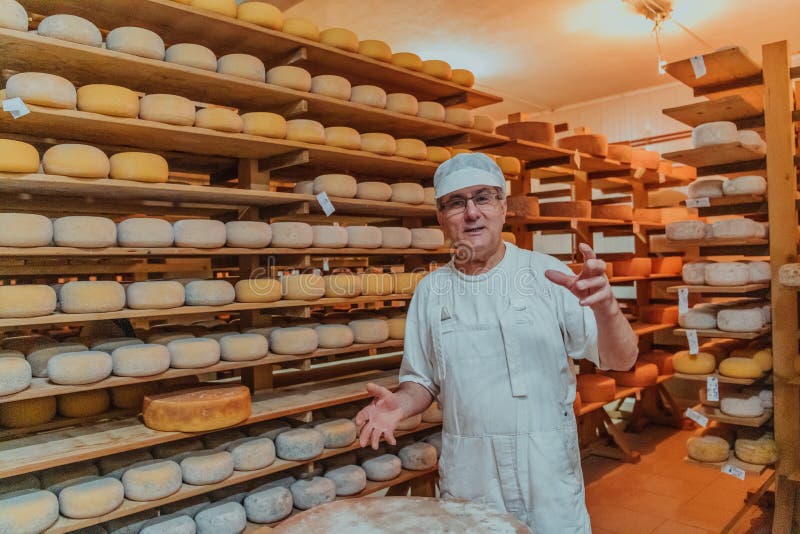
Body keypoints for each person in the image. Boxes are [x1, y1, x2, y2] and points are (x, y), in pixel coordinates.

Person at [355, 153, 639, 532]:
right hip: (473, 476)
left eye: (483, 197)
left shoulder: (545, 273)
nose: (471, 212)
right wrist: (400, 405)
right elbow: (422, 381)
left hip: (547, 474)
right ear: (441, 218)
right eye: (456, 203)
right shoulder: (431, 292)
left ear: (503, 207)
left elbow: (621, 359)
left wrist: (606, 308)